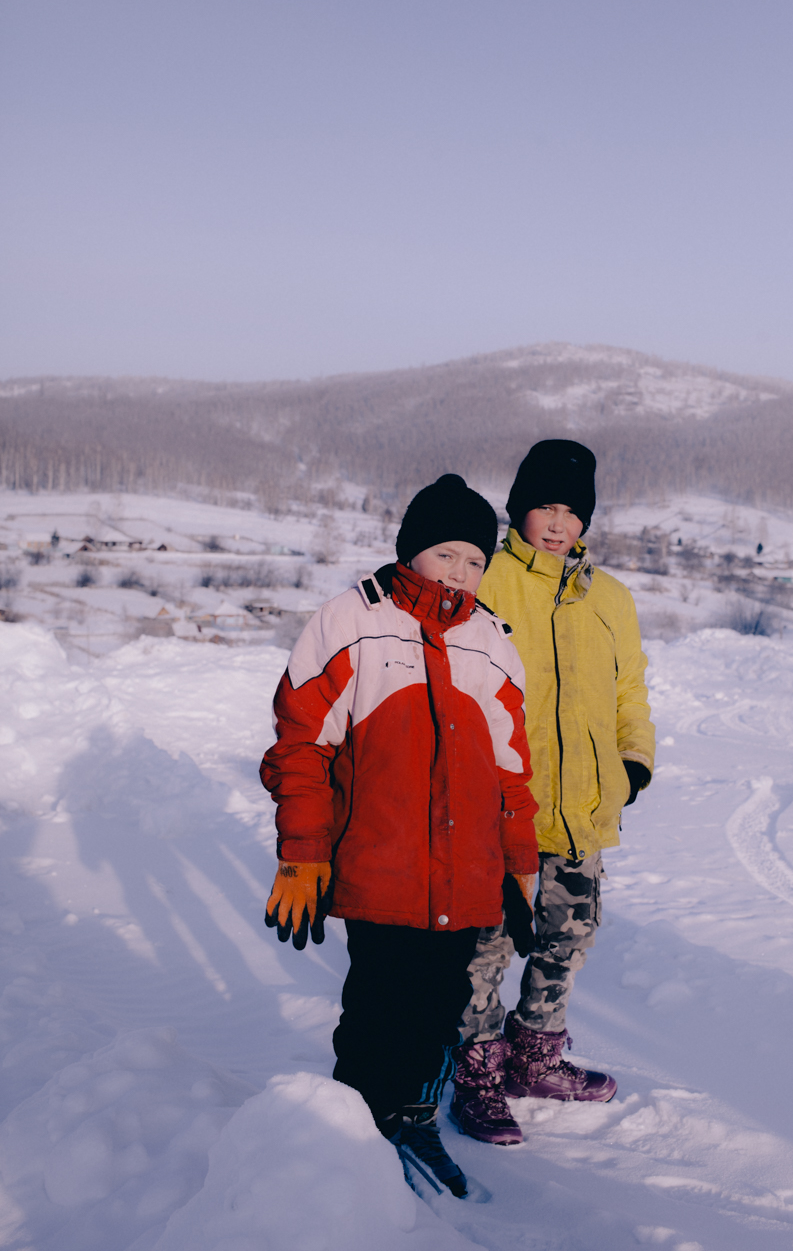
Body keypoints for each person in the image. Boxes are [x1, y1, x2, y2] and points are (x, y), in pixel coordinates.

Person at [259, 474, 539, 1196]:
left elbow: (511, 771)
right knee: (379, 1005)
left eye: (475, 561)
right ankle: (351, 1130)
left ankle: (412, 1114)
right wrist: (303, 855)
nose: (460, 573)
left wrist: (520, 869)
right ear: (412, 550)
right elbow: (300, 747)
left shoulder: (490, 641)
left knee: (441, 1003)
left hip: (466, 873)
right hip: (382, 865)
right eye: (447, 554)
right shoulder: (351, 621)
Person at [450, 440, 655, 1146]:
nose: (558, 523)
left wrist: (631, 766)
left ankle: (535, 1057)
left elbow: (629, 692)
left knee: (567, 937)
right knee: (489, 945)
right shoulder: (487, 581)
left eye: (572, 511)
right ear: (519, 509)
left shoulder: (611, 598)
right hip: (499, 810)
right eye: (545, 506)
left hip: (582, 812)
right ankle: (475, 1068)